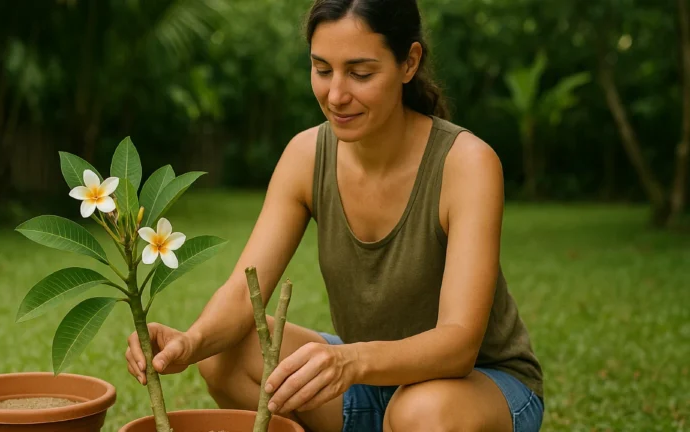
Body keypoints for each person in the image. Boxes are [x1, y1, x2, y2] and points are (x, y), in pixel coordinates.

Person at [124, 0, 544, 430]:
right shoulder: (306, 155)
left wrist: (351, 360)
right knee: (225, 355)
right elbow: (242, 290)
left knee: (419, 412)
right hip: (368, 379)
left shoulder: (466, 163)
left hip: (474, 388)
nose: (336, 95)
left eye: (360, 74)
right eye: (322, 70)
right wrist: (190, 343)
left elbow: (459, 344)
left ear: (409, 62)